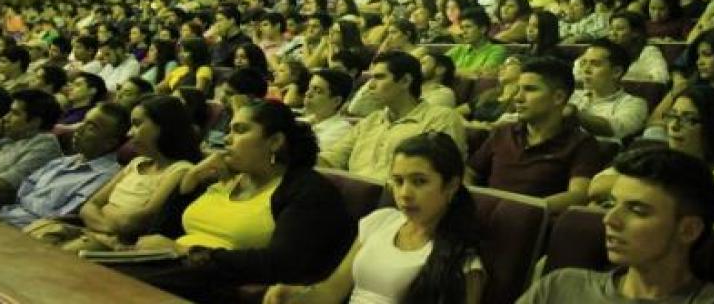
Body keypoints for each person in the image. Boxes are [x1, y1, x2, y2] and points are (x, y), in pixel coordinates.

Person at [131, 101, 355, 303]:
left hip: (216, 284)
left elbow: (282, 264)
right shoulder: (223, 177)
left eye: (240, 130)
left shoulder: (308, 190)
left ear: (275, 141)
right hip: (174, 267)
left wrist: (185, 251)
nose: (227, 139)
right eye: (229, 130)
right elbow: (159, 233)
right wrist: (189, 183)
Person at [264, 132, 485, 304]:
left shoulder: (462, 261)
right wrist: (293, 295)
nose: (404, 193)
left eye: (419, 181)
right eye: (398, 181)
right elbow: (332, 291)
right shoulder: (381, 220)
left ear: (451, 186)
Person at [517, 148, 714, 303]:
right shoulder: (559, 286)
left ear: (688, 230)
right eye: (611, 204)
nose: (609, 219)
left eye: (637, 210)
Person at [24, 95, 200, 251]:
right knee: (34, 233)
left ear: (163, 126)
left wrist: (105, 219)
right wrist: (107, 226)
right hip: (97, 232)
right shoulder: (135, 163)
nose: (130, 133)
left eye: (137, 124)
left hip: (119, 243)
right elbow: (89, 206)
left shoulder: (179, 169)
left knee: (49, 256)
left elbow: (138, 220)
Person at [589, 85, 714, 224]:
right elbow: (597, 186)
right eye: (672, 116)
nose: (674, 126)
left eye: (689, 119)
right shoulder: (652, 154)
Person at [468, 57, 601, 213]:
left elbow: (579, 194)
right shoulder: (503, 132)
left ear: (558, 97)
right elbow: (470, 171)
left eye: (530, 89)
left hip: (533, 227)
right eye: (518, 89)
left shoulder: (581, 143)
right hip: (483, 217)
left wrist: (522, 211)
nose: (518, 98)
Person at [319, 51, 466, 182]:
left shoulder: (440, 118)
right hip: (355, 200)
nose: (370, 85)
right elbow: (330, 160)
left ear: (405, 81)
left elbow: (434, 178)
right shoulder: (371, 120)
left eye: (380, 77)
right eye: (371, 78)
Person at [0, 103, 131, 228]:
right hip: (4, 218)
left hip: (28, 231)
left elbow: (60, 217)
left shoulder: (107, 176)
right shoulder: (61, 162)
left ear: (110, 143)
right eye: (83, 121)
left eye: (91, 127)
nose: (79, 129)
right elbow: (23, 192)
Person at [570, 39, 648, 141]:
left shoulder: (634, 104)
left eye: (595, 64)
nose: (586, 70)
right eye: (583, 63)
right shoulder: (573, 96)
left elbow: (615, 129)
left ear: (616, 72)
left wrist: (574, 115)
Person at [607, 11, 669, 83]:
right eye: (611, 29)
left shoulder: (649, 51)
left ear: (635, 32)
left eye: (619, 29)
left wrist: (625, 76)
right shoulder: (605, 51)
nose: (613, 33)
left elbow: (661, 78)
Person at [446, 7, 507, 79]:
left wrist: (449, 72)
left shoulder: (497, 51)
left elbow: (483, 74)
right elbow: (438, 66)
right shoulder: (459, 49)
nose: (463, 32)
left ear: (482, 29)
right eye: (462, 28)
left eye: (468, 27)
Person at [302, 69, 354, 150]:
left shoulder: (341, 130)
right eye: (309, 88)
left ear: (336, 101)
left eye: (317, 91)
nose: (307, 94)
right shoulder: (304, 121)